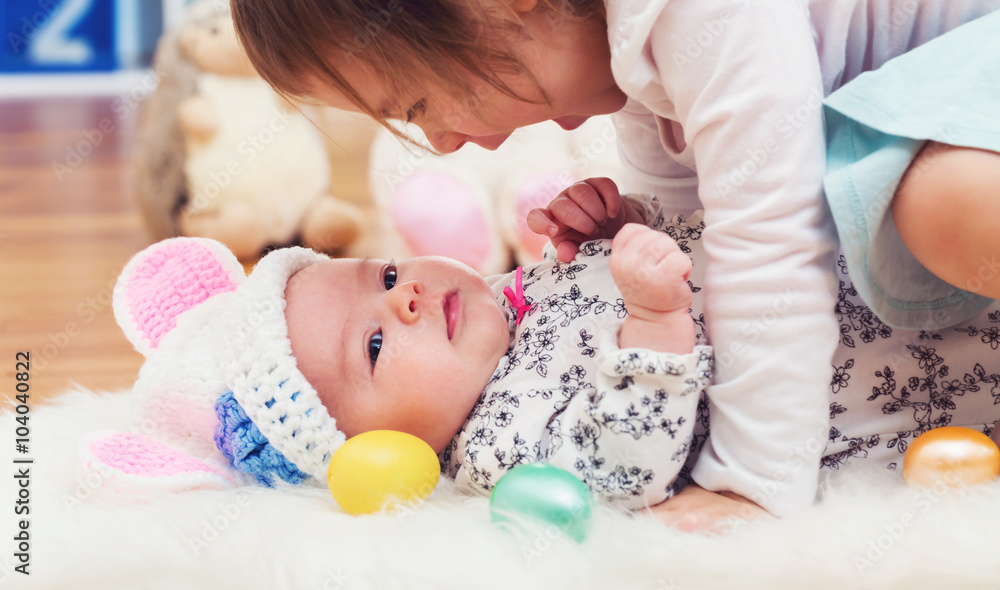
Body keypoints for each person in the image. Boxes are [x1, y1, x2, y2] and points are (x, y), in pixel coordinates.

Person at [227, 0, 1000, 522]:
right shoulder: (632, 63)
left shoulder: (700, 15)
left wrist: (754, 485)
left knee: (940, 204)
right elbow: (700, 219)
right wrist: (631, 235)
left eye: (422, 107)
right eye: (372, 345)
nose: (445, 143)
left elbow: (773, 235)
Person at [114, 185, 714, 509]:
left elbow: (609, 283)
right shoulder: (491, 445)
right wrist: (655, 318)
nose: (407, 298)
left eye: (388, 276)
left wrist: (612, 231)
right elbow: (618, 467)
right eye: (374, 346)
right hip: (789, 371)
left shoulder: (500, 305)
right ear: (380, 452)